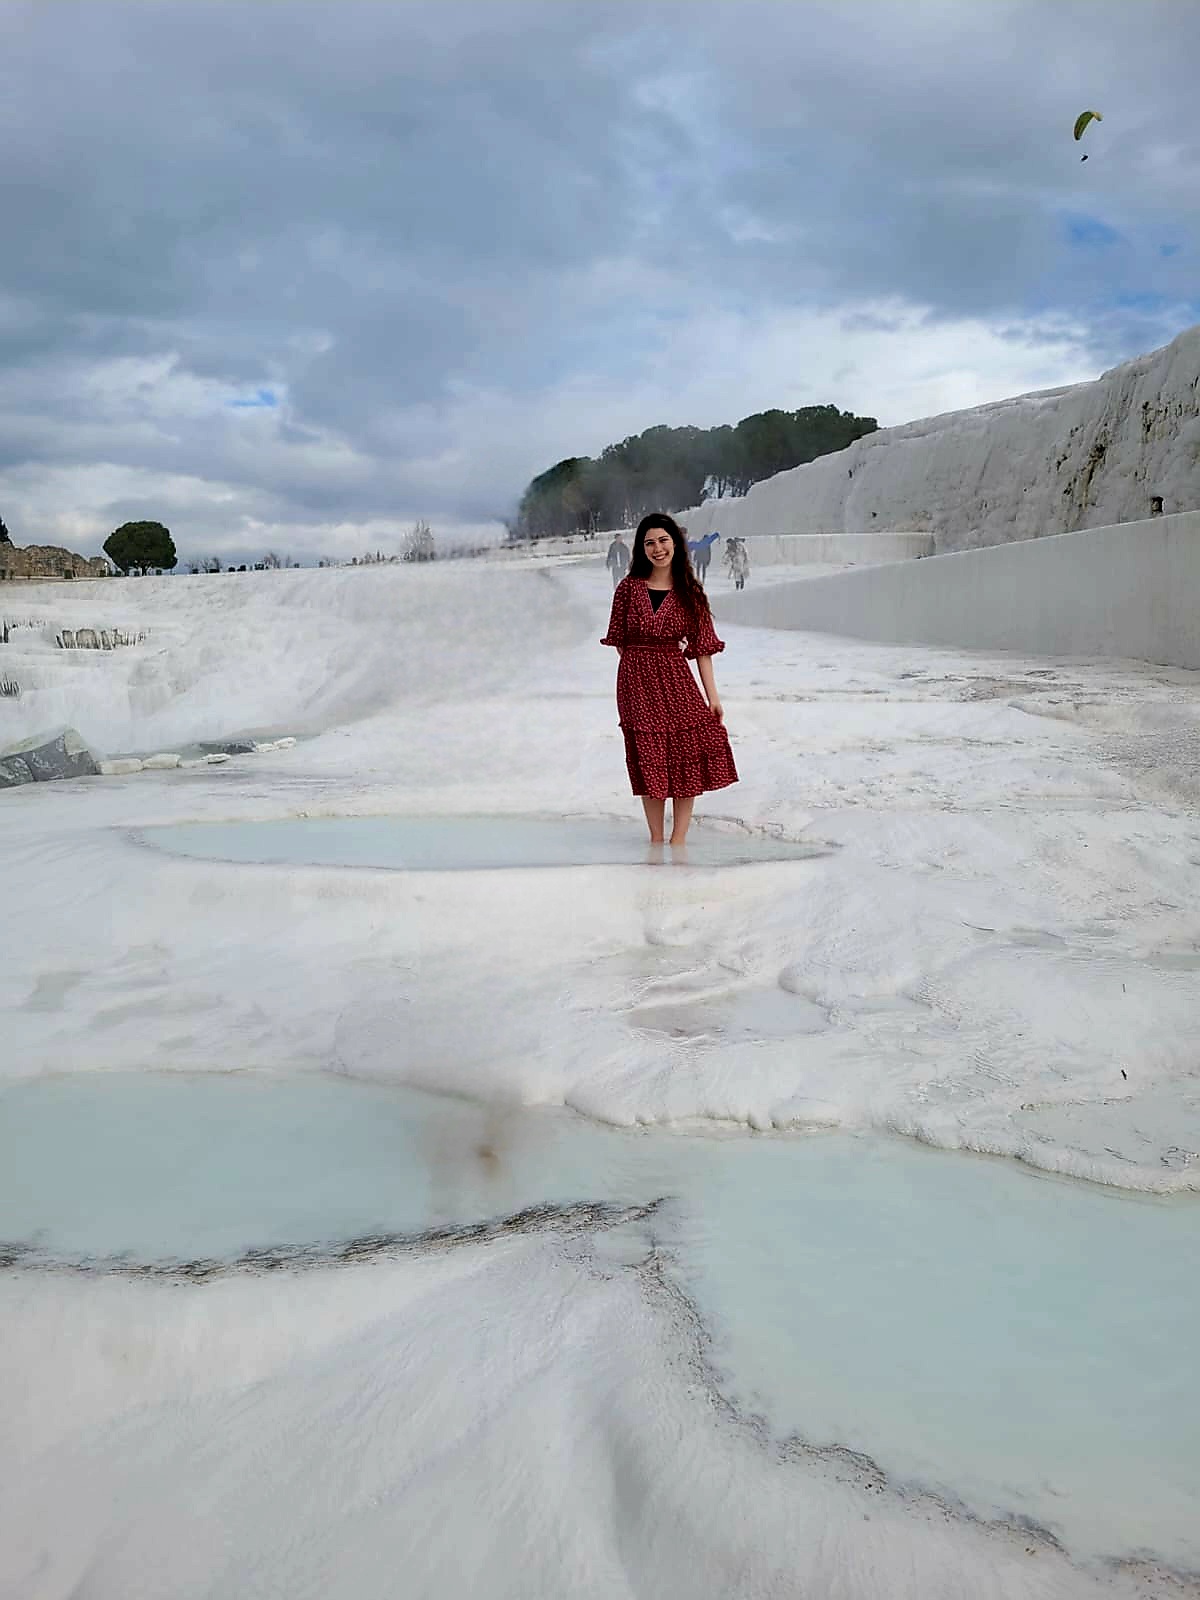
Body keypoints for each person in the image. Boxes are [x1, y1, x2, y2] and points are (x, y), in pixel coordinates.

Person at [601, 512, 738, 847]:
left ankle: (677, 842)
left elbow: (702, 650)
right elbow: (619, 639)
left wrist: (713, 698)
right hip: (636, 684)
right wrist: (639, 672)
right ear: (641, 549)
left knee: (683, 757)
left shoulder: (691, 592)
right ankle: (655, 839)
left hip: (678, 681)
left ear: (676, 543)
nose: (657, 548)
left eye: (663, 540)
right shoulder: (628, 589)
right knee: (649, 759)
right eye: (649, 543)